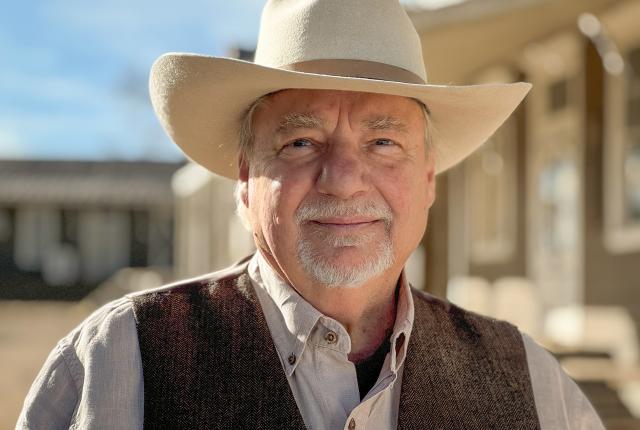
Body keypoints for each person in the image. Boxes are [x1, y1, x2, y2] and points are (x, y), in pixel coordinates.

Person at [18, 0, 604, 429]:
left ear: (428, 179)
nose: (343, 178)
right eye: (301, 141)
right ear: (246, 179)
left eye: (383, 142)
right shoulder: (115, 366)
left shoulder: (532, 383)